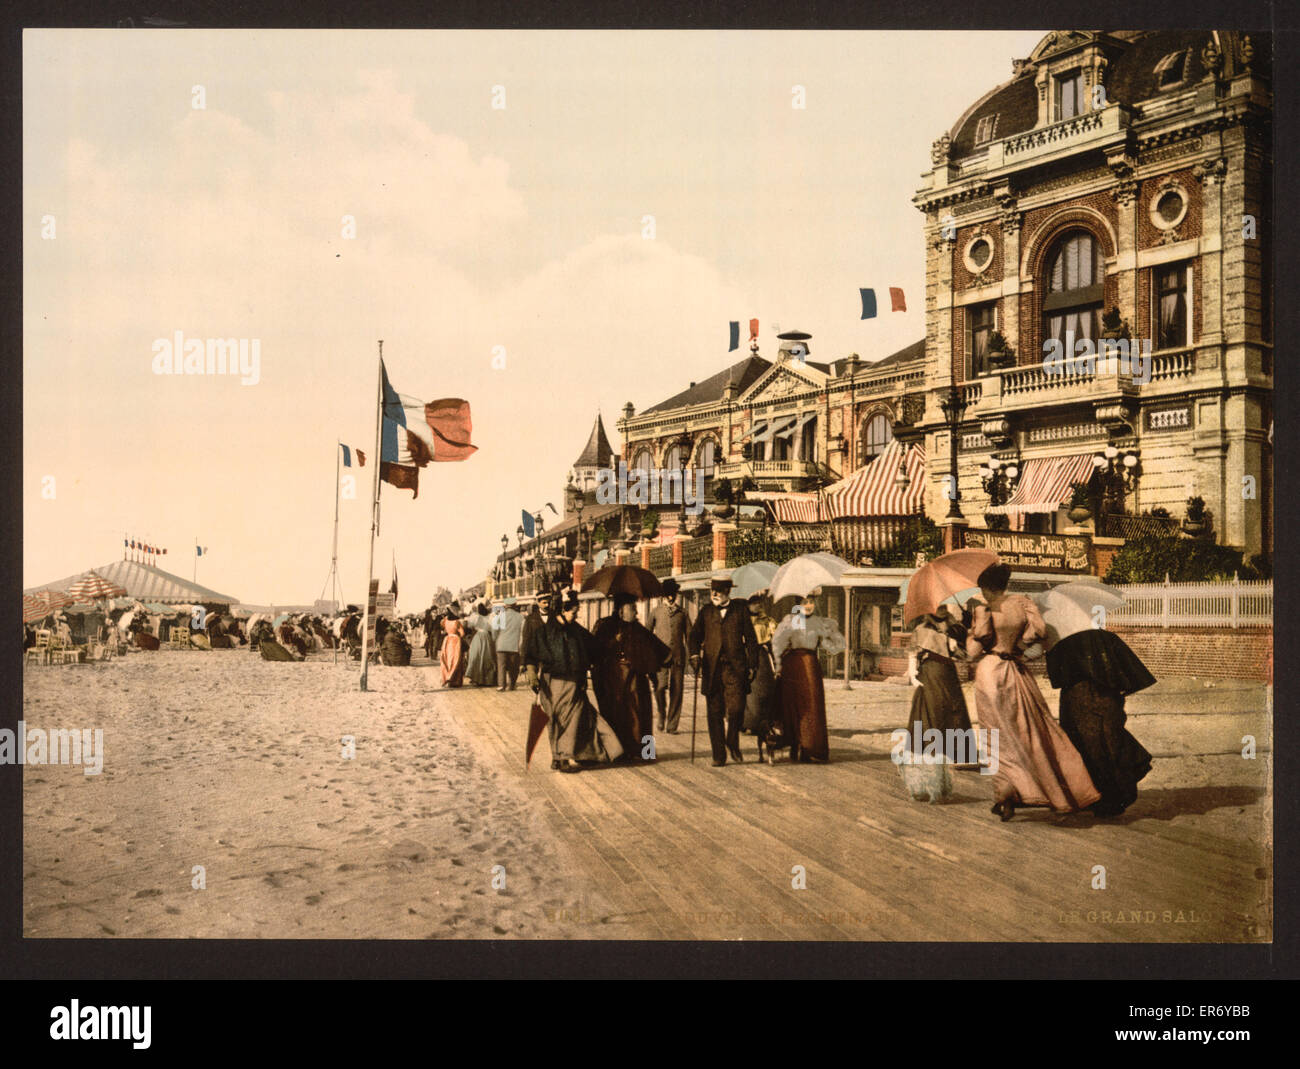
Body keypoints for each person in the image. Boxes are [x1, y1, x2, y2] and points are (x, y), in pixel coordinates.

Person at [966, 563, 1100, 821]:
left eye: (983, 589)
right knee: (1033, 729)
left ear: (987, 588)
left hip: (991, 672)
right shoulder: (1023, 603)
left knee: (997, 735)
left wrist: (971, 631)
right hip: (1017, 670)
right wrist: (1017, 643)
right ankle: (1052, 791)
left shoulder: (984, 609)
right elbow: (1037, 632)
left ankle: (1006, 794)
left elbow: (976, 645)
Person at [1046, 625, 1156, 817]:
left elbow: (1057, 677)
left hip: (1079, 700)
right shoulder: (1106, 638)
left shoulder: (1063, 643)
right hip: (1106, 700)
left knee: (1085, 746)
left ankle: (1096, 796)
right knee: (1110, 743)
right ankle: (1114, 797)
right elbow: (1128, 675)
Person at [524, 591, 622, 773]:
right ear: (562, 610)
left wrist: (612, 642)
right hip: (552, 683)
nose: (575, 616)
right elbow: (530, 654)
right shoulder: (544, 633)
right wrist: (531, 674)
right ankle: (558, 756)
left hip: (574, 682)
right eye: (573, 612)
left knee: (572, 719)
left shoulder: (576, 631)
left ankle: (565, 757)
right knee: (555, 720)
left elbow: (595, 646)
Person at [688, 577, 759, 766]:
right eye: (713, 590)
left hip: (735, 668)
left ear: (728, 591)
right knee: (715, 712)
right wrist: (694, 656)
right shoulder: (706, 612)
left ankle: (732, 741)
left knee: (736, 709)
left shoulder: (740, 611)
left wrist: (753, 664)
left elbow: (751, 640)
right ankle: (718, 755)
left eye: (719, 590)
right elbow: (694, 637)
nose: (714, 594)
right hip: (712, 669)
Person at [592, 593, 671, 761]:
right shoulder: (605, 626)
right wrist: (614, 642)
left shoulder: (638, 629)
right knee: (616, 714)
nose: (636, 613)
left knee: (642, 715)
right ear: (621, 610)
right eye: (632, 608)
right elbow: (594, 650)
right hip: (612, 680)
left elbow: (656, 649)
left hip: (636, 679)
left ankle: (646, 752)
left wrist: (671, 659)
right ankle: (618, 752)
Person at [770, 594, 845, 763]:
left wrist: (831, 636)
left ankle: (810, 748)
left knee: (812, 705)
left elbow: (835, 647)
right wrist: (778, 665)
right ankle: (796, 744)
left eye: (811, 602)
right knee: (795, 706)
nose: (809, 605)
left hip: (811, 666)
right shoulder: (791, 620)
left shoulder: (819, 622)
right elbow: (777, 643)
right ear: (798, 604)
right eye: (805, 602)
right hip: (794, 665)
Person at [906, 604, 972, 761]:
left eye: (943, 607)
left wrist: (962, 633)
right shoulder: (923, 629)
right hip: (932, 672)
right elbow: (913, 653)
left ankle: (954, 752)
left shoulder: (953, 627)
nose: (942, 611)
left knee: (952, 707)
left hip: (948, 671)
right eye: (938, 608)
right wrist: (912, 672)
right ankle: (933, 751)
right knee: (935, 708)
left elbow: (963, 655)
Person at [649, 578, 688, 733]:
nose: (671, 597)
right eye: (667, 595)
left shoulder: (682, 613)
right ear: (662, 596)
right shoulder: (656, 612)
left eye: (673, 594)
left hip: (678, 657)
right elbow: (647, 634)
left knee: (677, 690)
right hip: (660, 658)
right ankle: (661, 713)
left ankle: (672, 725)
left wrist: (694, 656)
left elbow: (690, 634)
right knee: (659, 688)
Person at [743, 594, 779, 737]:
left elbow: (774, 634)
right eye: (754, 603)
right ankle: (748, 723)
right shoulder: (743, 620)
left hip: (762, 656)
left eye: (759, 603)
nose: (757, 606)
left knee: (765, 689)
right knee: (749, 691)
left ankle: (763, 722)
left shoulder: (766, 620)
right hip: (746, 655)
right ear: (748, 605)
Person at [491, 600, 525, 691]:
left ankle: (501, 685)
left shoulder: (499, 616)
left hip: (501, 644)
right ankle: (512, 684)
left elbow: (494, 631)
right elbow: (523, 632)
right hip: (514, 645)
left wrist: (495, 640)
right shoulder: (521, 617)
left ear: (505, 605)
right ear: (515, 605)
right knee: (513, 666)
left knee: (501, 666)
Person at [464, 602, 497, 686]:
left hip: (478, 637)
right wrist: (493, 639)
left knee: (475, 657)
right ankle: (487, 679)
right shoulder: (490, 617)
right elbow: (493, 630)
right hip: (486, 637)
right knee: (487, 657)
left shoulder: (475, 617)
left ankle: (476, 678)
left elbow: (469, 626)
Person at [439, 611, 467, 687]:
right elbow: (462, 633)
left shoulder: (445, 621)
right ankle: (455, 680)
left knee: (447, 659)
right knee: (456, 659)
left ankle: (447, 677)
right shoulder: (457, 622)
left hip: (447, 640)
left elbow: (442, 627)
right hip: (455, 641)